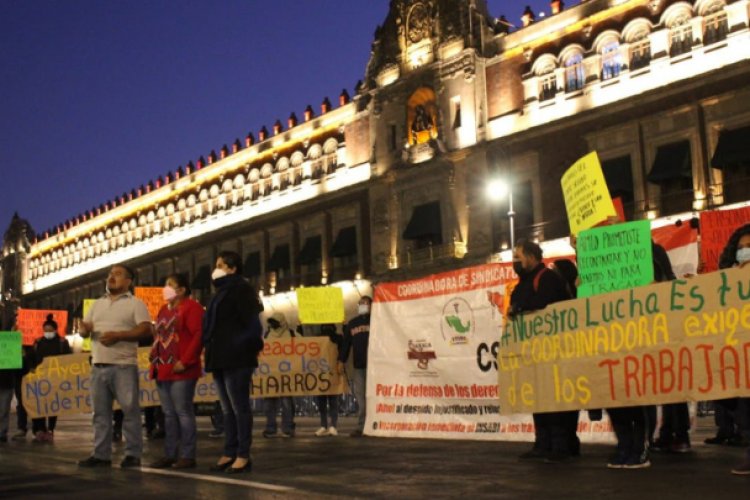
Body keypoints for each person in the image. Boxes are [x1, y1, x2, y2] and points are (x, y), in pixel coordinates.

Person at [77, 264, 153, 468]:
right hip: (98, 365)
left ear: (129, 281)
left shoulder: (135, 304)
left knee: (130, 411)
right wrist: (83, 330)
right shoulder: (98, 304)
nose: (112, 277)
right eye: (110, 274)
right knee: (100, 414)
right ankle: (101, 454)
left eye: (118, 274)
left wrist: (120, 335)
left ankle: (132, 454)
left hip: (123, 366)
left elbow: (146, 329)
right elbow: (85, 331)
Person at [510, 239, 575, 463]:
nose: (514, 261)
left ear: (530, 256)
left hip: (553, 350)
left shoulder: (546, 278)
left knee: (553, 399)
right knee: (537, 398)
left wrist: (523, 307)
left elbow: (548, 305)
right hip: (532, 350)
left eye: (518, 256)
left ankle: (560, 445)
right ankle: (542, 442)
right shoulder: (523, 282)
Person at [203, 251, 264, 474]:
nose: (216, 268)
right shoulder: (220, 293)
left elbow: (253, 325)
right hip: (219, 356)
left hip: (236, 357)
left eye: (220, 264)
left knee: (240, 408)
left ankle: (243, 455)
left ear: (232, 268)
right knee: (227, 409)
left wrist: (240, 345)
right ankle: (229, 451)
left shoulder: (242, 290)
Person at [148, 273, 204, 469]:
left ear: (182, 290)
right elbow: (160, 335)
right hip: (162, 367)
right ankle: (170, 453)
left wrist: (186, 360)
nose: (166, 288)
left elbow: (198, 336)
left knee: (183, 411)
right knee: (168, 413)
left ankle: (188, 455)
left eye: (170, 285)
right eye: (165, 284)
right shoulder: (163, 309)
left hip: (181, 368)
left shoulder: (192, 307)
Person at [717, 223, 750, 475]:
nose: (744, 252)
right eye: (740, 248)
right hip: (740, 355)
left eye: (749, 247)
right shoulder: (727, 279)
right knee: (744, 409)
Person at [31, 314, 72, 442]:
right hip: (40, 378)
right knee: (40, 404)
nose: (47, 332)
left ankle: (50, 429)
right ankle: (40, 429)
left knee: (53, 405)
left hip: (55, 379)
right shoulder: (38, 342)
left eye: (50, 330)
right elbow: (31, 358)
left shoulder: (62, 343)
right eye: (45, 330)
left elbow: (68, 360)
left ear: (55, 330)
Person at [338, 296, 372, 438]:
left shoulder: (377, 321)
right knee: (361, 398)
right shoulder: (352, 324)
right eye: (360, 304)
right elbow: (346, 344)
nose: (362, 306)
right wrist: (341, 360)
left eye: (365, 303)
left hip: (374, 367)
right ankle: (361, 426)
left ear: (371, 306)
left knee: (372, 397)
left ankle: (372, 425)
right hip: (359, 366)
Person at [262, 312, 296, 438]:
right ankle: (272, 428)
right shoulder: (267, 335)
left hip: (287, 375)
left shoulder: (291, 334)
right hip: (270, 374)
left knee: (286, 402)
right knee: (269, 403)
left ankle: (286, 428)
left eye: (275, 321)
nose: (273, 324)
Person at [314, 324, 342, 437]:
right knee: (323, 401)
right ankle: (325, 426)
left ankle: (331, 425)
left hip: (332, 372)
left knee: (332, 400)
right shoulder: (317, 338)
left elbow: (343, 348)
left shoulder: (338, 338)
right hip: (321, 373)